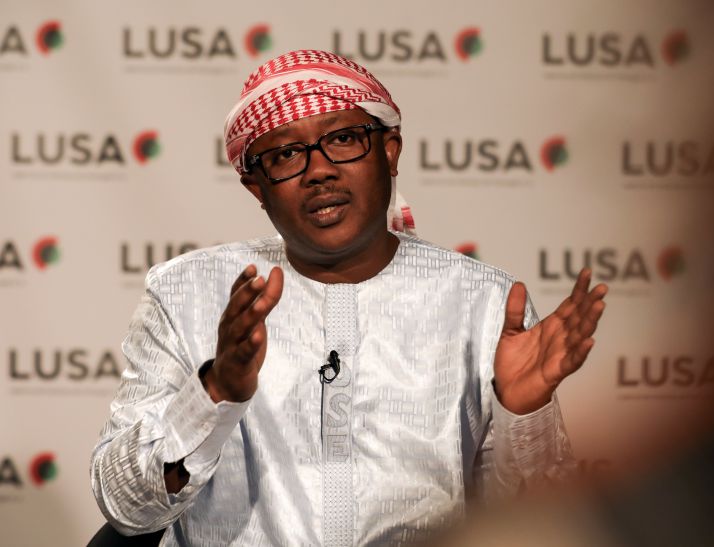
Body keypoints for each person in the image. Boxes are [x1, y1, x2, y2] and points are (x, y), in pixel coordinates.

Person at [90, 50, 607, 546]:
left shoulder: (485, 302)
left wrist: (524, 413)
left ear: (390, 151)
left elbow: (536, 526)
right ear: (257, 188)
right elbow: (126, 510)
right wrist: (215, 391)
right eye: (286, 154)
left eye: (342, 139)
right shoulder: (187, 292)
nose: (318, 170)